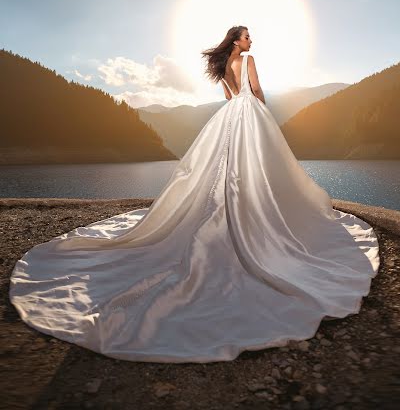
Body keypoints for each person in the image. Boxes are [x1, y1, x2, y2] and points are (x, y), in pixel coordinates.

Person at [9, 25, 380, 363]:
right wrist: (265, 116)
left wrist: (244, 105)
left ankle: (228, 215)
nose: (252, 41)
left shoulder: (222, 69)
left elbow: (230, 96)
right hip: (250, 115)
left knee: (223, 172)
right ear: (237, 40)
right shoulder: (248, 60)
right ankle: (257, 218)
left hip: (230, 116)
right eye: (248, 36)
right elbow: (256, 92)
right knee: (256, 170)